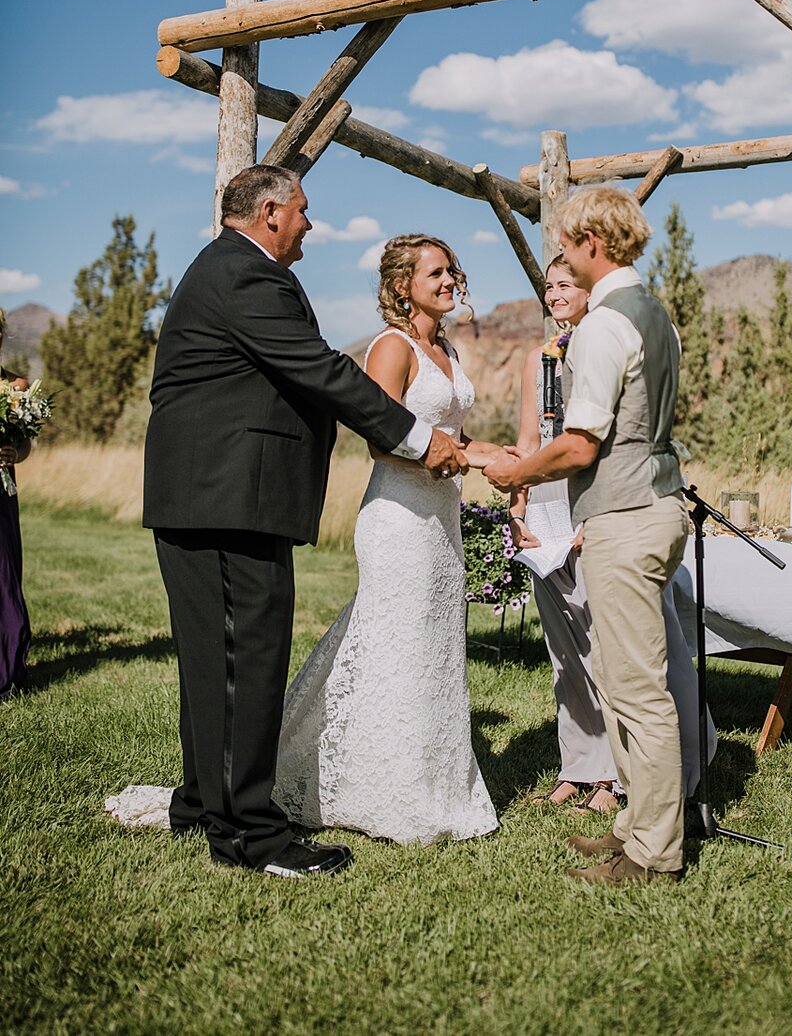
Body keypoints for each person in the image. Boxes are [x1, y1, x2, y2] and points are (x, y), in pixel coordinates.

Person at [124, 166, 468, 880]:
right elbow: (318, 370)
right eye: (304, 211)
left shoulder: (229, 270)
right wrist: (417, 438)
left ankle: (201, 800)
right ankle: (252, 834)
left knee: (214, 661)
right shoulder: (246, 274)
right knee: (241, 662)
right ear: (272, 212)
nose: (310, 223)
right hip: (226, 498)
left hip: (215, 495)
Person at [486, 186, 689, 885]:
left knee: (635, 691)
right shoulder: (654, 314)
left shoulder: (604, 325)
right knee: (619, 673)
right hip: (656, 504)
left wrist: (517, 467)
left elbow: (578, 446)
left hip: (626, 516)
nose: (564, 261)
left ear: (592, 246)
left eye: (568, 248)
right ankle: (633, 825)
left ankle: (655, 853)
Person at [273, 234, 502, 845]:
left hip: (442, 515)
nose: (450, 279)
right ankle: (377, 784)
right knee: (394, 641)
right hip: (398, 517)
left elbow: (453, 435)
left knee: (433, 646)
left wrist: (500, 458)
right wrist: (450, 459)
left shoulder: (447, 347)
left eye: (452, 269)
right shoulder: (392, 347)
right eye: (436, 272)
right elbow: (381, 436)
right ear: (403, 285)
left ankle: (433, 780)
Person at [510, 260, 711, 816]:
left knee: (613, 650)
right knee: (565, 651)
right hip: (547, 504)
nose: (554, 294)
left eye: (565, 285)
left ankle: (625, 776)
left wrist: (585, 522)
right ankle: (582, 765)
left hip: (600, 502)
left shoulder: (608, 341)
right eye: (548, 287)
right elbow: (530, 439)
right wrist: (518, 506)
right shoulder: (537, 359)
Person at [0, 309, 31, 701]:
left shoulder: (15, 387)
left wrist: (14, 453)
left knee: (4, 576)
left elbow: (25, 445)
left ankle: (6, 669)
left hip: (2, 492)